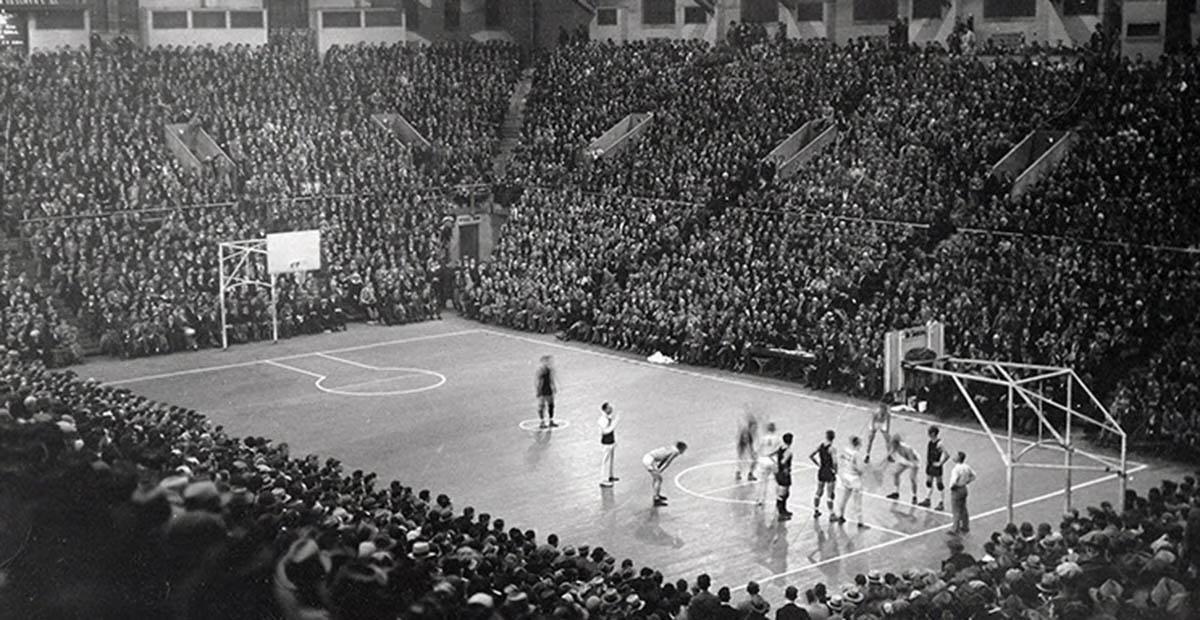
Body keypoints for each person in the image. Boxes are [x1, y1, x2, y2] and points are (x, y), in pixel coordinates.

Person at [833, 435, 866, 528]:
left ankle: (841, 516)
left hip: (845, 477)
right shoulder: (857, 454)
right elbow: (860, 469)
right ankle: (860, 522)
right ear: (858, 444)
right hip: (854, 479)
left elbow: (841, 457)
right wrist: (860, 470)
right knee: (857, 502)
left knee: (844, 498)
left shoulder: (846, 450)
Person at [643, 442, 687, 506]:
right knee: (658, 479)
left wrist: (659, 468)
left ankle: (657, 495)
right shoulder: (675, 452)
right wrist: (660, 470)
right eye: (684, 450)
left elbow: (664, 459)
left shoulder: (672, 448)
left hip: (649, 458)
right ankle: (656, 499)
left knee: (657, 479)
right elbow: (667, 462)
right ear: (681, 448)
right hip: (650, 461)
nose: (684, 452)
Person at [919, 425, 950, 511]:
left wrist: (940, 463)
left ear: (933, 433)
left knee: (939, 484)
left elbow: (947, 455)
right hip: (930, 465)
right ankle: (927, 499)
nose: (927, 434)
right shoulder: (930, 442)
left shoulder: (939, 443)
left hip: (936, 466)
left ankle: (941, 503)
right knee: (929, 482)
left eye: (929, 432)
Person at [885, 434, 921, 504]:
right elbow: (891, 453)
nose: (892, 445)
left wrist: (913, 467)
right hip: (905, 460)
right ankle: (896, 493)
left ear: (896, 443)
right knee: (896, 474)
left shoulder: (907, 449)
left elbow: (912, 460)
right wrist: (889, 457)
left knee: (912, 478)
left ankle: (914, 496)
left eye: (893, 443)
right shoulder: (894, 446)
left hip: (914, 461)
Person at [809, 429, 837, 519]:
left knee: (819, 491)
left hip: (821, 471)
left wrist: (818, 464)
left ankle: (816, 510)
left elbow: (811, 455)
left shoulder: (820, 446)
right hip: (829, 471)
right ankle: (832, 514)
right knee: (830, 494)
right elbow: (835, 462)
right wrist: (835, 471)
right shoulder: (832, 449)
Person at [948, 450, 977, 534]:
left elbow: (953, 481)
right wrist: (967, 481)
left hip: (957, 489)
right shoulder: (966, 467)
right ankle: (965, 526)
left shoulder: (956, 469)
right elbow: (974, 476)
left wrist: (952, 487)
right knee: (963, 508)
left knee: (956, 509)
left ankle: (955, 528)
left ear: (958, 458)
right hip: (964, 488)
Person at [756, 422, 781, 506]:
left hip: (763, 459)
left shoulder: (763, 438)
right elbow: (779, 450)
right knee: (777, 481)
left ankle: (760, 499)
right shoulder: (777, 439)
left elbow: (758, 449)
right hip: (773, 460)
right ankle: (778, 498)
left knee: (762, 481)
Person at [598, 402, 618, 487]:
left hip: (611, 441)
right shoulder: (602, 420)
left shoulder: (608, 418)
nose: (611, 409)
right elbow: (605, 431)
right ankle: (603, 480)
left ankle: (610, 475)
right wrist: (614, 424)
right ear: (605, 409)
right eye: (609, 408)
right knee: (605, 461)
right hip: (606, 442)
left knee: (611, 460)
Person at [775, 433, 794, 521]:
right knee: (784, 493)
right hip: (784, 474)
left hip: (779, 472)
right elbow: (783, 461)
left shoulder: (780, 448)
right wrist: (786, 468)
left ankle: (782, 509)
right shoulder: (788, 451)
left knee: (782, 493)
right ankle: (781, 512)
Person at [736, 412, 759, 481]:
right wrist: (752, 451)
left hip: (743, 448)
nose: (756, 428)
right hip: (744, 449)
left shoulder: (748, 432)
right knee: (752, 461)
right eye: (754, 426)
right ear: (751, 426)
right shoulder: (746, 432)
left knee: (745, 461)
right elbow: (746, 442)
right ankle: (748, 474)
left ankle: (741, 473)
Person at [535, 355, 556, 428]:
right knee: (542, 406)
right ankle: (542, 422)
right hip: (542, 390)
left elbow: (551, 379)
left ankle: (551, 421)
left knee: (551, 405)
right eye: (547, 361)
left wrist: (553, 386)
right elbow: (538, 381)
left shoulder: (549, 369)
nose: (549, 362)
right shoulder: (540, 370)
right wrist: (538, 390)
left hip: (548, 389)